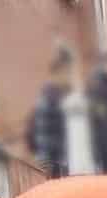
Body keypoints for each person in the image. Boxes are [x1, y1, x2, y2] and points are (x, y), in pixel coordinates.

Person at [27, 44, 72, 179]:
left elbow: (31, 136)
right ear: (59, 72)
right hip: (52, 163)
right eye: (67, 73)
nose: (69, 77)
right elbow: (41, 136)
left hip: (53, 162)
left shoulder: (52, 97)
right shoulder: (52, 98)